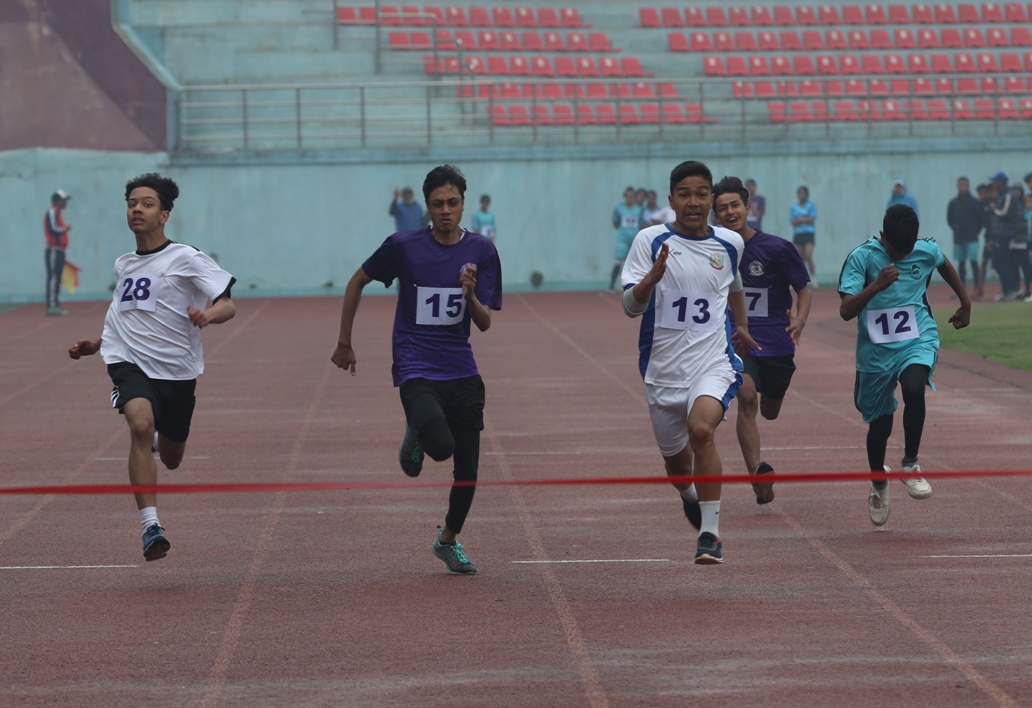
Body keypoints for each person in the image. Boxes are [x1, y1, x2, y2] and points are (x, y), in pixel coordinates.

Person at [331, 165, 502, 575]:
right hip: (416, 364)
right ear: (427, 206)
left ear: (463, 204)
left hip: (461, 369)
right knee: (440, 447)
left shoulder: (481, 250)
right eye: (438, 203)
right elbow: (356, 282)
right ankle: (418, 427)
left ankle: (448, 541)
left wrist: (470, 295)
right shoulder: (404, 246)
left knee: (468, 472)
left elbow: (484, 323)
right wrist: (344, 341)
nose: (445, 210)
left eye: (453, 203)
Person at [67, 174, 236, 561]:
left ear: (164, 215)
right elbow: (123, 314)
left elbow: (228, 304)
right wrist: (98, 344)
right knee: (140, 425)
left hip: (176, 370)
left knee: (172, 458)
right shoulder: (124, 264)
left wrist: (208, 316)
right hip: (127, 361)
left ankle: (162, 439)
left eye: (146, 204)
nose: (137, 210)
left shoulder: (186, 257)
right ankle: (151, 526)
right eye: (132, 203)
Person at [620, 160, 758, 565]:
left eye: (701, 194)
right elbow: (629, 307)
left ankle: (710, 534)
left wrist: (742, 323)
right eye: (684, 194)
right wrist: (651, 279)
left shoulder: (729, 243)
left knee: (701, 431)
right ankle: (688, 493)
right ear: (671, 200)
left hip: (712, 362)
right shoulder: (649, 240)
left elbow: (733, 281)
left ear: (711, 199)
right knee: (679, 468)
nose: (693, 202)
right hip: (662, 371)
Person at [838, 204, 970, 527]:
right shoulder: (862, 258)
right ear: (882, 236)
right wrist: (876, 286)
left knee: (914, 388)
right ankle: (878, 482)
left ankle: (910, 463)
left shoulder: (923, 250)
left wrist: (965, 302)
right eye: (895, 251)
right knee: (880, 425)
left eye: (906, 252)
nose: (901, 257)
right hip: (875, 353)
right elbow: (845, 310)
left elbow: (941, 260)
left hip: (917, 338)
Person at [712, 176, 812, 505]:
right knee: (746, 398)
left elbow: (803, 289)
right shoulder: (713, 251)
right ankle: (757, 473)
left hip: (777, 344)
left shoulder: (777, 248)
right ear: (715, 214)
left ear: (748, 207)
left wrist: (799, 319)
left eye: (735, 205)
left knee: (769, 411)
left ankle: (759, 470)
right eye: (722, 208)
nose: (730, 212)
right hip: (737, 342)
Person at [988, 172, 1025, 301]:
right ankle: (1007, 290)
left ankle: (1013, 288)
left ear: (1001, 182)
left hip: (1006, 234)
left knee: (1000, 261)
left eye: (995, 181)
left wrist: (993, 208)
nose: (993, 184)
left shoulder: (1009, 195)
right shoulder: (1002, 195)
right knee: (999, 261)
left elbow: (1004, 213)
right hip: (1000, 234)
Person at [946, 177, 984, 295]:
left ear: (968, 186)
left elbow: (980, 220)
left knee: (974, 263)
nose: (963, 187)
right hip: (959, 239)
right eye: (961, 185)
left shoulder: (975, 202)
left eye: (965, 185)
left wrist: (974, 232)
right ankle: (961, 289)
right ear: (958, 186)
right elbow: (950, 220)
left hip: (972, 238)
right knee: (961, 264)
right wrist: (956, 229)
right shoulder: (953, 203)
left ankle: (977, 288)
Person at [610, 186, 643, 291]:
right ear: (625, 197)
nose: (630, 198)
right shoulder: (619, 208)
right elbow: (615, 222)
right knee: (619, 261)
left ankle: (632, 285)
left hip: (634, 239)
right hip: (622, 239)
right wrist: (623, 231)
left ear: (634, 197)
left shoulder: (639, 210)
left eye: (632, 196)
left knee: (634, 263)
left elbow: (641, 223)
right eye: (628, 196)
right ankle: (611, 285)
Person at [44, 189, 72, 316]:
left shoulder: (58, 213)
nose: (65, 203)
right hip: (54, 249)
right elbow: (53, 228)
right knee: (54, 277)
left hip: (60, 249)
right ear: (57, 201)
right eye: (63, 200)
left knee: (56, 277)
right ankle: (52, 305)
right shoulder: (52, 211)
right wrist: (65, 228)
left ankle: (54, 304)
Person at [790, 185, 817, 287]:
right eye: (800, 193)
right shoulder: (793, 207)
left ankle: (813, 278)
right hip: (798, 234)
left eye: (803, 193)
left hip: (808, 234)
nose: (801, 195)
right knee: (800, 258)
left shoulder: (811, 205)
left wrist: (801, 220)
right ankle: (801, 279)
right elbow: (793, 222)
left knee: (808, 255)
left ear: (806, 194)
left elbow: (812, 218)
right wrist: (805, 219)